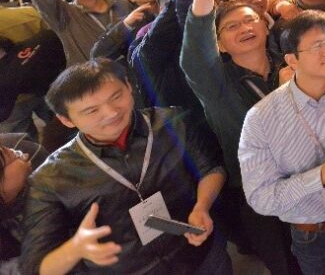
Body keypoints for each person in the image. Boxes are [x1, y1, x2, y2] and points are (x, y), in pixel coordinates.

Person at [19, 59, 230, 275]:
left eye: (116, 96)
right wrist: (75, 249)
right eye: (92, 110)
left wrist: (202, 205)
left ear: (129, 87)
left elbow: (211, 168)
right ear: (66, 119)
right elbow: (34, 267)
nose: (111, 113)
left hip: (201, 255)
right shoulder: (50, 178)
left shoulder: (172, 122)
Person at [175, 0, 299, 275]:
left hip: (310, 176)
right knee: (287, 266)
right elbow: (195, 56)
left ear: (264, 25)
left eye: (249, 20)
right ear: (221, 46)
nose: (244, 27)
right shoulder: (216, 82)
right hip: (258, 192)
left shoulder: (290, 64)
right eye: (231, 26)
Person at [239, 11, 325, 274]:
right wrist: (320, 177)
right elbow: (260, 198)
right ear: (292, 60)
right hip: (314, 234)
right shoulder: (261, 119)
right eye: (316, 46)